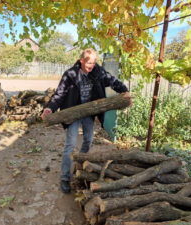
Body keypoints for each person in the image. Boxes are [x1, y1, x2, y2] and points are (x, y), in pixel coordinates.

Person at [41, 48, 131, 193]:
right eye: (89, 63)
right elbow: (59, 94)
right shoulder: (70, 74)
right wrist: (49, 108)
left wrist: (124, 91)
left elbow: (112, 80)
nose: (92, 66)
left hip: (88, 112)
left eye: (94, 62)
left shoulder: (97, 71)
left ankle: (79, 163)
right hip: (73, 112)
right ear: (82, 60)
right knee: (70, 144)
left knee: (88, 140)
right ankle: (65, 177)